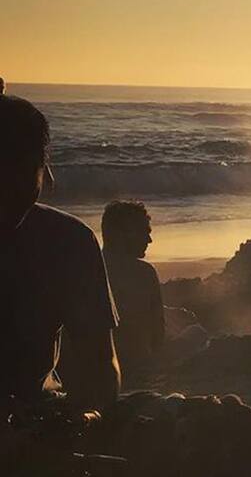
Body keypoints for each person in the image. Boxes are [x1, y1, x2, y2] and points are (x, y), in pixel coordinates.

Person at [0, 97, 120, 412]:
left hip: (36, 422)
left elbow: (100, 366)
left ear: (46, 171)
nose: (5, 191)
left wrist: (89, 415)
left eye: (20, 174)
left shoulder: (69, 242)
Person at [101, 200, 164, 378]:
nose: (149, 240)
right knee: (195, 334)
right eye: (145, 232)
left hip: (100, 366)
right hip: (138, 365)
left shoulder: (87, 267)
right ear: (125, 234)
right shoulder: (144, 273)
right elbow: (158, 334)